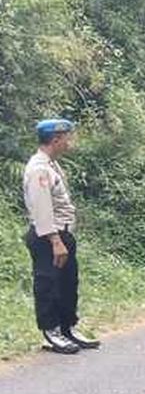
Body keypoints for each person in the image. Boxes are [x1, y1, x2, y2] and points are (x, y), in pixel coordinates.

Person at [23, 118, 100, 354]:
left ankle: (67, 327)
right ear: (56, 140)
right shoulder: (39, 169)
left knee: (68, 283)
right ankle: (51, 331)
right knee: (48, 284)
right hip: (49, 236)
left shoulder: (51, 164)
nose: (70, 142)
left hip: (63, 233)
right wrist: (55, 240)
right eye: (68, 138)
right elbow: (42, 208)